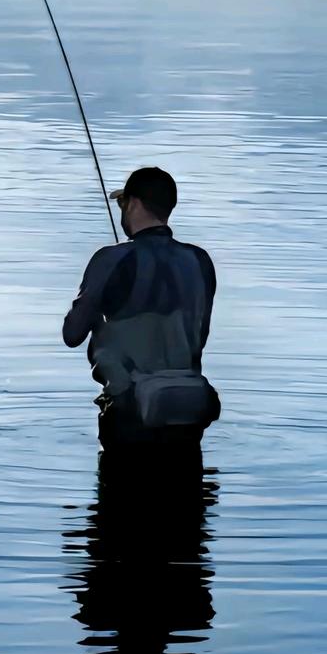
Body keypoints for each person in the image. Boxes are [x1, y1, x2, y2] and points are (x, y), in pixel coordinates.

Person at [62, 166, 221, 450]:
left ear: (133, 203)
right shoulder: (200, 260)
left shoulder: (109, 259)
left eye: (122, 203)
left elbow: (72, 334)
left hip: (130, 417)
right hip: (188, 412)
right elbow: (200, 337)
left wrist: (100, 314)